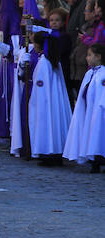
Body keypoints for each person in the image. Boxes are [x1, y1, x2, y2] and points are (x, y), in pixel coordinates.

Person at [25, 30, 72, 165]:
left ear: (39, 45)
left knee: (46, 125)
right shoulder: (53, 61)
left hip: (45, 103)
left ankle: (48, 153)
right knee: (54, 125)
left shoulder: (44, 62)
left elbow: (41, 86)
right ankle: (54, 153)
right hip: (54, 102)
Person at [63, 43, 105, 171]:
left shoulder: (102, 74)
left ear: (98, 57)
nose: (87, 58)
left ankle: (99, 159)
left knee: (99, 135)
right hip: (89, 110)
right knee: (91, 134)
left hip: (99, 112)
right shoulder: (90, 73)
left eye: (89, 55)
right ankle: (93, 160)